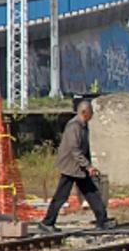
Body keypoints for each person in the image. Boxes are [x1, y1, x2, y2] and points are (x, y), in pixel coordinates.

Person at [38, 99, 116, 232]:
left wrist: (88, 165)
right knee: (61, 196)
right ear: (85, 112)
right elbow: (75, 149)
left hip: (80, 168)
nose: (92, 115)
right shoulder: (74, 126)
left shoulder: (83, 125)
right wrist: (88, 166)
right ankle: (47, 222)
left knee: (92, 193)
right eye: (91, 112)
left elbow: (85, 148)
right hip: (71, 167)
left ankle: (102, 220)